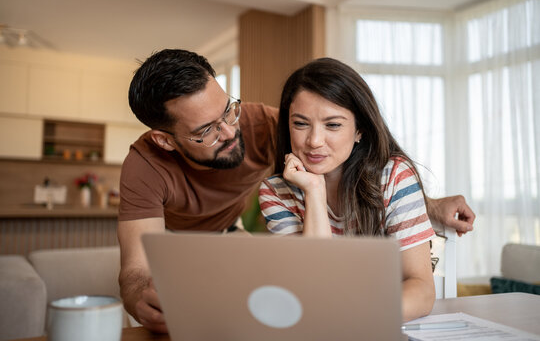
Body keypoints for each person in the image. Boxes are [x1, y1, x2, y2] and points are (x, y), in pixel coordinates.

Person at [118, 49, 475, 333]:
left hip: (236, 235)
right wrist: (140, 298)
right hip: (184, 244)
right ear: (165, 140)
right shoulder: (145, 166)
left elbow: (340, 146)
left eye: (228, 110)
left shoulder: (272, 124)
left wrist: (424, 204)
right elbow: (136, 269)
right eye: (206, 130)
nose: (229, 131)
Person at [259, 58, 440, 321]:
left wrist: (356, 321)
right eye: (300, 124)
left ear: (359, 131)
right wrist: (314, 191)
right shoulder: (275, 192)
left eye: (332, 125)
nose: (314, 141)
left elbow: (421, 290)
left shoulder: (393, 176)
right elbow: (314, 284)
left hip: (377, 322)